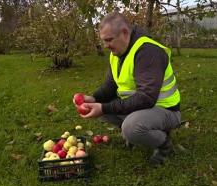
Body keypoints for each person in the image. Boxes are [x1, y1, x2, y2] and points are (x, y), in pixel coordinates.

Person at [74, 12, 181, 166]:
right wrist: (93, 99)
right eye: (104, 41)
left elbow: (146, 98)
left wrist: (103, 107)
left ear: (124, 33)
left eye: (109, 40)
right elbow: (110, 86)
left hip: (166, 110)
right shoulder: (117, 52)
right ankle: (134, 133)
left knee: (131, 127)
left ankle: (164, 144)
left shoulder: (148, 52)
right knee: (101, 108)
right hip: (143, 108)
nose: (106, 46)